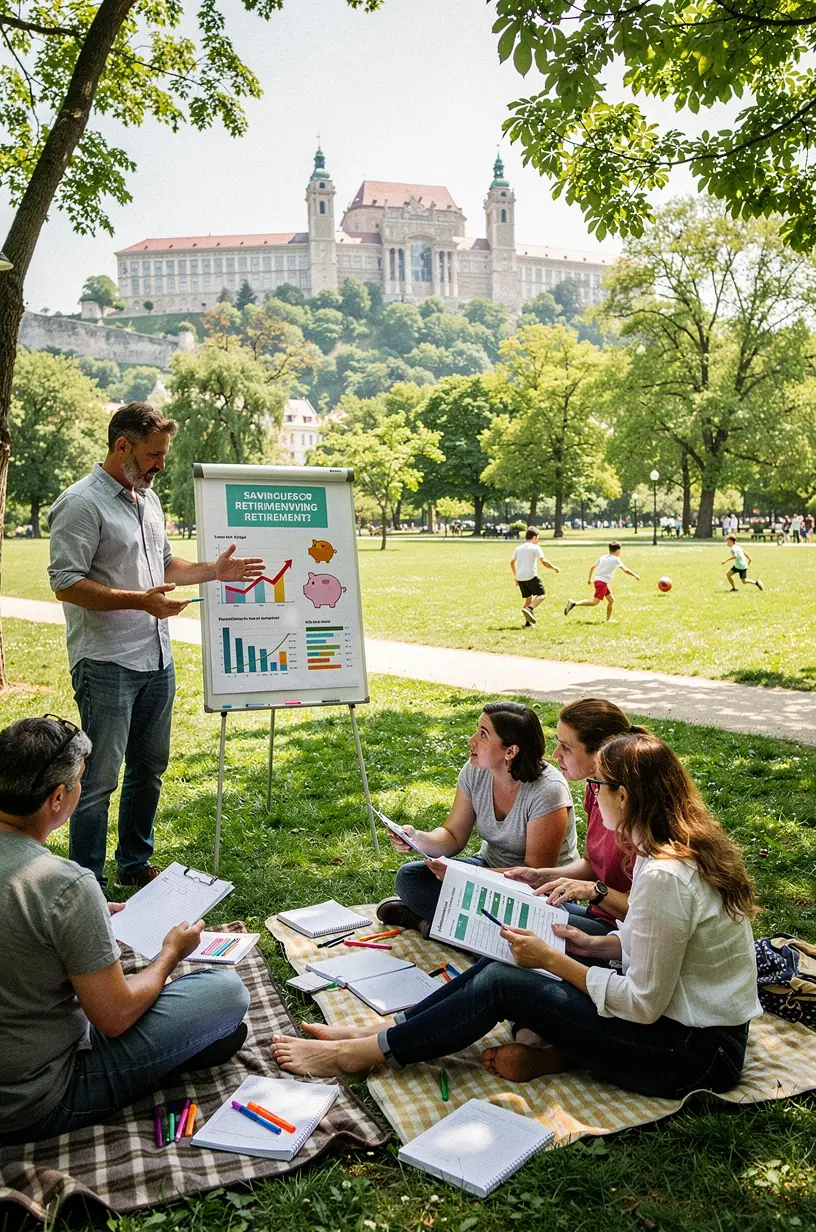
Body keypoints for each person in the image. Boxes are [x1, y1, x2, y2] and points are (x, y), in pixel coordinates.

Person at [272, 733, 761, 1099]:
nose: (592, 792)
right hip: (690, 1032)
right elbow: (664, 947)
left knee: (510, 978)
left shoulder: (663, 875)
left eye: (598, 784)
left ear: (625, 796)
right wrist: (593, 946)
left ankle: (364, 1053)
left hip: (692, 1055)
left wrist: (551, 959)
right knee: (514, 954)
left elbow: (643, 1004)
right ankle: (389, 1033)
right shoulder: (677, 853)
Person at [0, 717, 250, 1144]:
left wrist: (85, 921)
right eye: (81, 782)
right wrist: (171, 953)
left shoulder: (59, 889)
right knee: (227, 994)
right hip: (34, 1099)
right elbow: (115, 1017)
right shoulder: (65, 885)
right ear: (58, 797)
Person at [48, 402, 265, 889]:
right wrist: (138, 602)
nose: (160, 465)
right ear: (122, 446)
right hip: (105, 662)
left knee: (149, 769)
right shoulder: (81, 502)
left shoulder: (147, 500)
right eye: (153, 454)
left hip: (155, 659)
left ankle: (132, 866)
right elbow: (65, 583)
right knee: (98, 780)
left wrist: (214, 571)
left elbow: (165, 564)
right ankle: (88, 882)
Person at [376, 702, 578, 937]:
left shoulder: (547, 791)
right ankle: (475, 933)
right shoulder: (476, 770)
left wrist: (463, 877)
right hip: (487, 868)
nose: (471, 740)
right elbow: (453, 836)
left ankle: (429, 926)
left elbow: (533, 875)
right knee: (411, 877)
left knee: (527, 929)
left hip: (539, 889)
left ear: (510, 751)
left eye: (483, 735)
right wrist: (416, 838)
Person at [503, 698, 648, 936]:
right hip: (599, 915)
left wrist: (595, 891)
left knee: (512, 938)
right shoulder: (597, 790)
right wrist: (541, 875)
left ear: (601, 753)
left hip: (623, 932)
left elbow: (644, 916)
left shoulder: (633, 810)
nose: (555, 754)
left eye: (566, 747)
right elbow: (593, 865)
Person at [564, 541, 640, 623]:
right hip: (602, 583)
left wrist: (589, 579)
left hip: (599, 581)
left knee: (611, 600)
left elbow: (592, 567)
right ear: (618, 551)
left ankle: (608, 620)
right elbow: (626, 570)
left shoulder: (603, 557)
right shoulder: (616, 559)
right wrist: (635, 575)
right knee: (594, 602)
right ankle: (574, 603)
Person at [510, 526, 560, 626]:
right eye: (537, 538)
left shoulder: (519, 548)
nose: (538, 540)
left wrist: (516, 577)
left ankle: (528, 623)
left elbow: (512, 562)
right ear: (534, 537)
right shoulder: (535, 547)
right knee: (542, 595)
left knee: (528, 599)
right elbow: (544, 561)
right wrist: (554, 567)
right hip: (531, 576)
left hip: (520, 578)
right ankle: (530, 608)